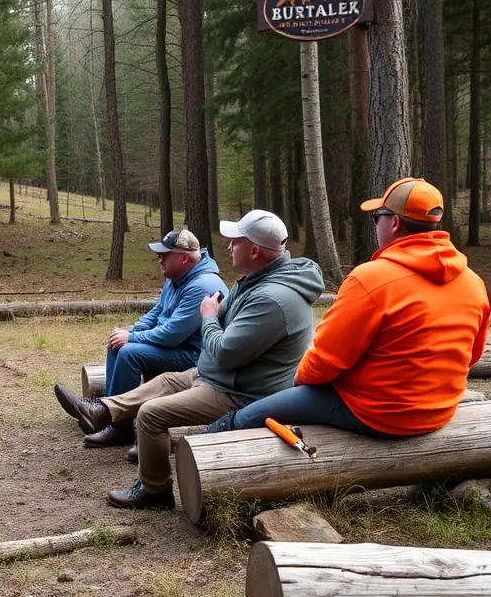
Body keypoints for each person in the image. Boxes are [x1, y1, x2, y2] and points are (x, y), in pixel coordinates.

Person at [75, 209, 325, 510]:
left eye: (235, 241)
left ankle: (154, 491)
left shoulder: (272, 299)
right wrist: (213, 317)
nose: (228, 246)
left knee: (151, 415)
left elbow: (223, 350)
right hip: (220, 374)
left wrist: (207, 317)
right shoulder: (253, 281)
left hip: (242, 390)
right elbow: (222, 320)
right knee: (167, 381)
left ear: (254, 250)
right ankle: (104, 410)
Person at [206, 177, 490, 441]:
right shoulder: (473, 283)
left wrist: (298, 385)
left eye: (377, 217)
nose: (375, 225)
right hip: (439, 412)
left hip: (379, 415)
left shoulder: (371, 279)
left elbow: (323, 362)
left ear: (393, 223)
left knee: (247, 416)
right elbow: (472, 356)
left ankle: (211, 448)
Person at [53, 228, 227, 448]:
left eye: (165, 254)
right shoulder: (177, 277)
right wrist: (130, 332)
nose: (159, 259)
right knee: (118, 343)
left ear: (184, 258)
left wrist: (132, 337)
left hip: (196, 357)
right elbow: (156, 312)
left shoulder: (202, 285)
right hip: (177, 348)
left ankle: (117, 426)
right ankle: (104, 413)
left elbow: (172, 334)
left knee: (129, 352)